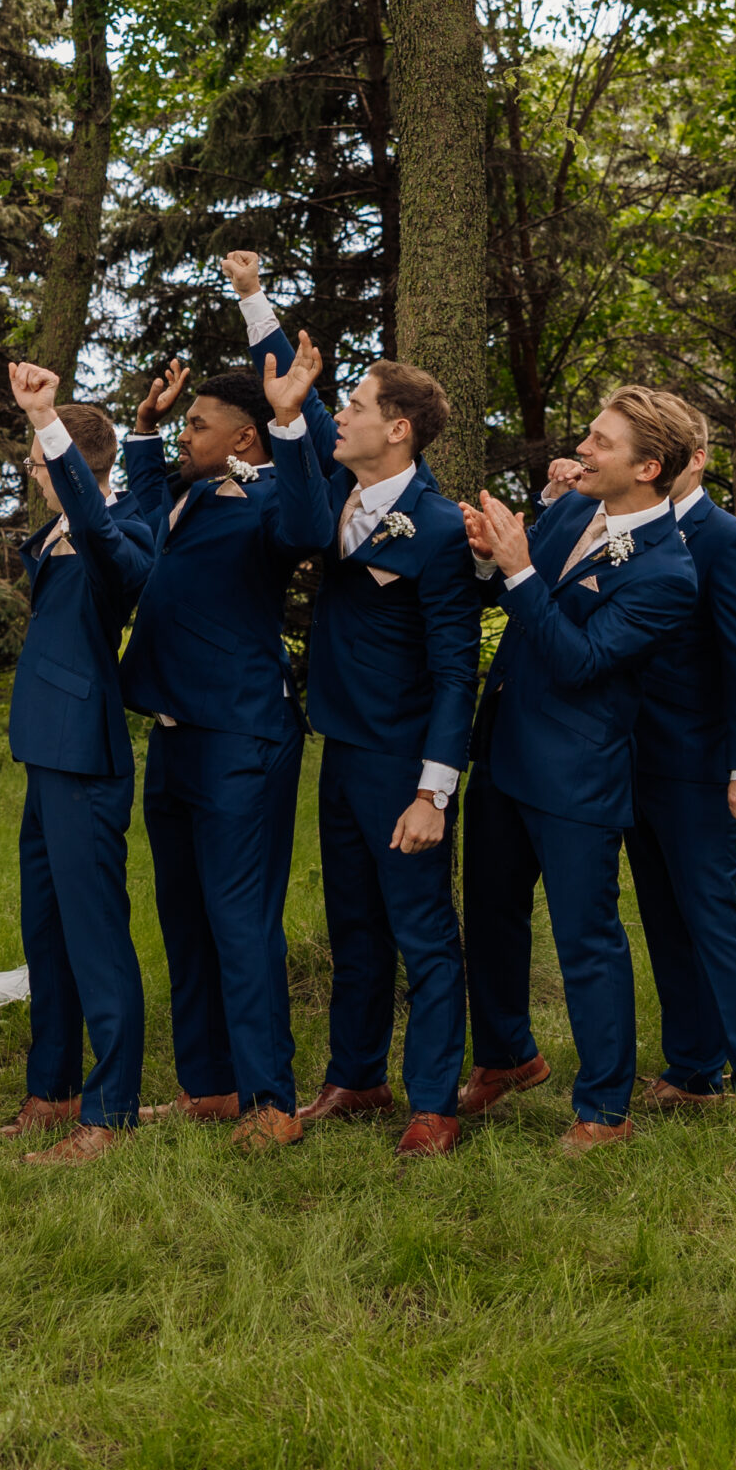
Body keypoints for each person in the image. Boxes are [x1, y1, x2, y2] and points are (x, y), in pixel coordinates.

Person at [227, 255, 480, 1159]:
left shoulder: (443, 530)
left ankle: (434, 1103)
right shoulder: (339, 485)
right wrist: (253, 299)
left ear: (400, 431)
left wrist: (433, 791)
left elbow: (459, 671)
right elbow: (297, 397)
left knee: (424, 933)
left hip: (404, 761)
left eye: (363, 407)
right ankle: (356, 1076)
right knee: (355, 927)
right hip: (338, 746)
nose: (347, 416)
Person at [458, 386, 701, 1151]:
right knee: (490, 918)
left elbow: (581, 660)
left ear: (648, 467)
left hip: (575, 774)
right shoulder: (570, 511)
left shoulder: (668, 573)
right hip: (501, 751)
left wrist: (522, 573)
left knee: (586, 939)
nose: (582, 450)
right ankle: (506, 1058)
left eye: (600, 442)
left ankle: (604, 1109)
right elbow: (513, 594)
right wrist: (489, 558)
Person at [120, 344, 320, 1145]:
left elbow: (308, 524)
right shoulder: (189, 493)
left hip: (241, 736)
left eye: (197, 426)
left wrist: (290, 418)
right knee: (185, 915)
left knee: (242, 922)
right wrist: (143, 427)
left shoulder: (277, 500)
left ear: (243, 439)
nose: (184, 436)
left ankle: (273, 1104)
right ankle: (209, 1085)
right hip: (171, 734)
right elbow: (136, 515)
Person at [0, 364, 157, 1166]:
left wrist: (46, 422)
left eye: (37, 461)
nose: (31, 472)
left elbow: (97, 531)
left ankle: (112, 1108)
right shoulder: (59, 530)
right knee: (45, 931)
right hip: (43, 751)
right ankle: (51, 1092)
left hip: (85, 755)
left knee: (95, 937)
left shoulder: (119, 530)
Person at [615, 410, 736, 1136]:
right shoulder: (622, 527)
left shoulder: (730, 541)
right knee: (663, 918)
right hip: (632, 758)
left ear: (694, 459)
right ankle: (692, 1071)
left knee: (715, 922)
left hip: (698, 766)